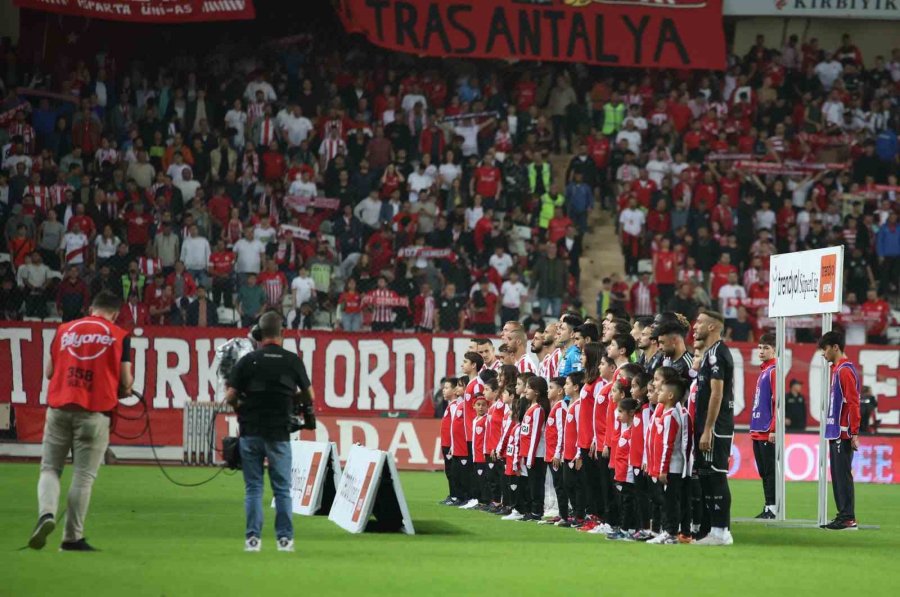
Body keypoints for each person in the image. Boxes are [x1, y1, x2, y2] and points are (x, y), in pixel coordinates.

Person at [29, 291, 133, 551]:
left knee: (50, 468)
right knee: (83, 476)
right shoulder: (119, 335)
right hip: (94, 412)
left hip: (59, 407)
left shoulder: (64, 329)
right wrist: (125, 390)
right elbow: (126, 381)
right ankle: (72, 537)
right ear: (115, 313)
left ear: (91, 309)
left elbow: (49, 372)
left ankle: (46, 514)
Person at [225, 311, 313, 552]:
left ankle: (252, 540)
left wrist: (241, 407)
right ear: (282, 333)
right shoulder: (292, 360)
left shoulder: (247, 361)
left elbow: (230, 397)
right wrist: (290, 399)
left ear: (258, 334)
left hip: (251, 432)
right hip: (279, 434)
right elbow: (310, 395)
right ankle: (285, 540)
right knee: (282, 489)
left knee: (253, 488)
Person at [691, 309, 734, 546]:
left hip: (716, 426)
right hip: (706, 425)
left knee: (717, 475)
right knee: (707, 476)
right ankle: (712, 530)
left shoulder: (718, 354)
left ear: (711, 327)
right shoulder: (709, 354)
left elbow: (716, 394)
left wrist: (708, 429)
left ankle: (721, 531)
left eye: (699, 322)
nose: (694, 326)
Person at [817, 331, 860, 531]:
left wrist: (854, 433)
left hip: (843, 433)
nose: (823, 354)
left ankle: (848, 518)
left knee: (842, 475)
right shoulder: (839, 370)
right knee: (838, 475)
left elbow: (853, 403)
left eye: (825, 349)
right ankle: (843, 515)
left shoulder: (844, 371)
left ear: (835, 347)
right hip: (836, 432)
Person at [749, 333, 777, 520]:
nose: (761, 351)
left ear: (774, 349)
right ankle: (768, 506)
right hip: (757, 428)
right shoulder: (764, 371)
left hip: (767, 429)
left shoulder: (774, 370)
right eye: (759, 347)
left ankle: (773, 507)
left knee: (769, 471)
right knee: (763, 471)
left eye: (766, 347)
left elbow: (778, 401)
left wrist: (774, 428)